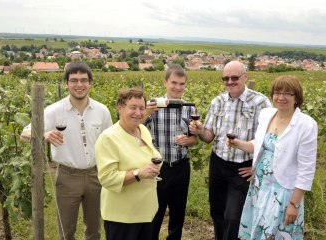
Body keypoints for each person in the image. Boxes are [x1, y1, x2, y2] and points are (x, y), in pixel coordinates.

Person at [21, 61, 113, 240]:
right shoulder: (53, 111)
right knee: (66, 230)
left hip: (96, 176)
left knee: (95, 231)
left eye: (84, 80)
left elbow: (110, 141)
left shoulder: (102, 111)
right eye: (74, 80)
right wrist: (43, 134)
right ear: (66, 83)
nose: (79, 85)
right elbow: (24, 135)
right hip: (67, 177)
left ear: (90, 83)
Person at [227, 75, 317, 239]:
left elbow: (306, 169)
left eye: (288, 93)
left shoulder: (306, 125)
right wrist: (238, 143)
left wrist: (294, 204)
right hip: (259, 187)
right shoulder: (266, 114)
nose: (281, 97)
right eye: (277, 92)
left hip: (282, 192)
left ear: (296, 97)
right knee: (257, 232)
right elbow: (260, 144)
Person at [189, 61, 272, 240]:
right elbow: (209, 136)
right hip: (218, 164)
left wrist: (257, 167)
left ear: (245, 77)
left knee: (234, 217)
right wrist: (200, 130)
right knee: (217, 211)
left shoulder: (260, 102)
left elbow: (270, 140)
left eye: (235, 77)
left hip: (242, 167)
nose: (230, 81)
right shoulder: (217, 101)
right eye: (226, 78)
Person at [95, 87, 161, 240]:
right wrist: (138, 173)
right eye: (133, 108)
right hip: (123, 217)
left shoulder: (143, 129)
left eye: (142, 108)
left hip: (147, 211)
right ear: (120, 107)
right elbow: (106, 178)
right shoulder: (109, 138)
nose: (138, 113)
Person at [144, 64, 197, 240]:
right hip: (158, 168)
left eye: (182, 84)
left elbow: (193, 139)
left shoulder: (190, 108)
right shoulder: (153, 105)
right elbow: (137, 129)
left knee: (178, 213)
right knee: (154, 212)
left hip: (181, 168)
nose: (178, 87)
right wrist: (145, 113)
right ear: (166, 82)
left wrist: (187, 141)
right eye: (174, 82)